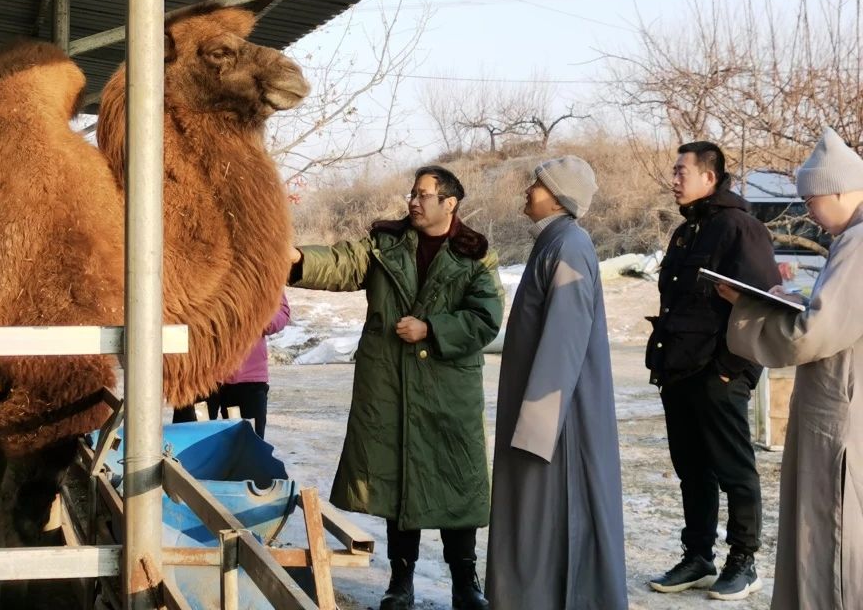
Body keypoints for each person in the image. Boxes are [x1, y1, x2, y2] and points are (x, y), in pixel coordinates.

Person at [289, 165, 502, 610]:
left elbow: (487, 319)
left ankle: (466, 583)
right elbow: (343, 262)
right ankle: (399, 584)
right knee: (397, 483)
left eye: (423, 195)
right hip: (389, 386)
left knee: (456, 483)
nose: (413, 201)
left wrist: (431, 329)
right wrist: (297, 259)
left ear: (450, 203)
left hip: (448, 391)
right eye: (412, 193)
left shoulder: (474, 253)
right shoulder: (386, 243)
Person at [723, 128, 863, 610]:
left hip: (843, 418)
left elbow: (815, 333)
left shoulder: (859, 243)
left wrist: (749, 309)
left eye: (813, 201)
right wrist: (793, 302)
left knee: (832, 540)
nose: (807, 213)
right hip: (841, 409)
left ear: (842, 191)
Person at [486, 156, 626, 609]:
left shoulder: (569, 245)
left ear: (559, 197)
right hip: (538, 418)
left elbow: (565, 339)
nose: (528, 190)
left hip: (554, 424)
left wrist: (537, 428)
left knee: (549, 514)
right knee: (531, 517)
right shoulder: (554, 242)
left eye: (538, 184)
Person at [647, 141, 781, 600]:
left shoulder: (740, 228)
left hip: (718, 372)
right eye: (674, 170)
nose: (674, 178)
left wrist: (730, 369)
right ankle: (698, 556)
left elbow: (764, 305)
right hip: (679, 369)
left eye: (682, 170)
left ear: (710, 176)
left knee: (734, 470)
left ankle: (743, 561)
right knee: (692, 470)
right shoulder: (686, 232)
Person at [171, 292, 290, 437]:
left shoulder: (260, 270)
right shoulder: (193, 270)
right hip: (199, 376)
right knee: (191, 439)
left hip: (246, 379)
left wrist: (253, 319)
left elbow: (281, 313)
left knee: (246, 445)